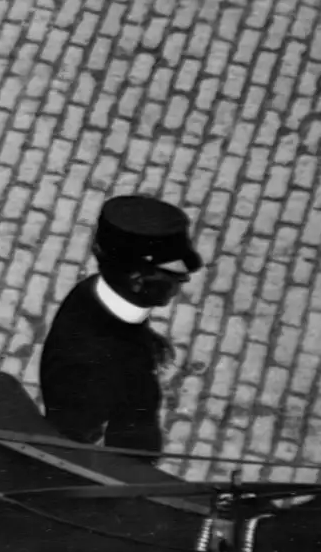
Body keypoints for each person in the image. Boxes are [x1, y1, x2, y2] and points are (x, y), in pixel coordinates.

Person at [36, 193, 200, 460]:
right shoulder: (87, 366)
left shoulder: (96, 294)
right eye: (174, 277)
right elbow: (78, 443)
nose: (183, 282)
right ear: (137, 280)